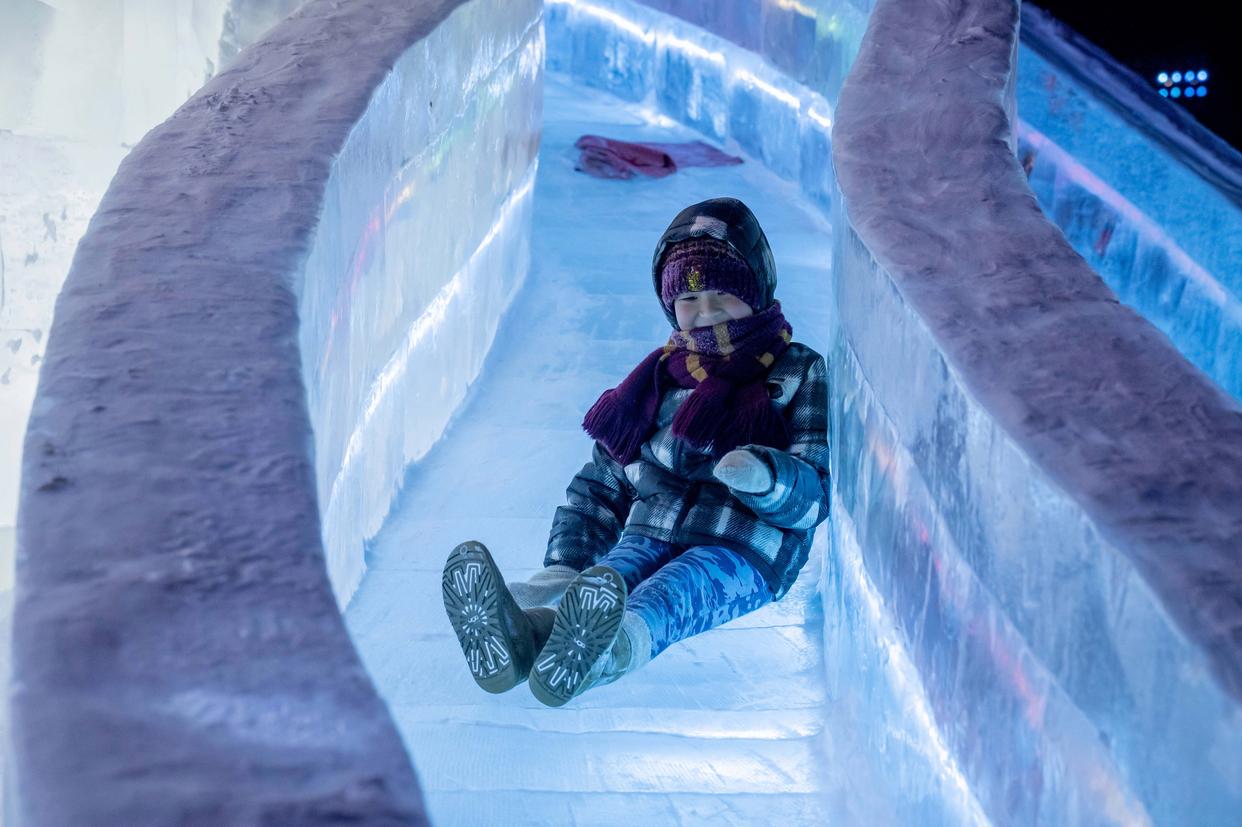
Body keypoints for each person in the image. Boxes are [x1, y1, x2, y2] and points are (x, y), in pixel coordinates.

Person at [441, 196, 830, 707]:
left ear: (755, 290)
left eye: (722, 294)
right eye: (689, 299)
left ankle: (603, 659)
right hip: (652, 531)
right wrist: (564, 565)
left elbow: (814, 494)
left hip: (744, 544)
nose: (706, 312)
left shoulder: (797, 370)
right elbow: (603, 484)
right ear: (671, 306)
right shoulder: (656, 380)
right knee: (601, 590)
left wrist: (766, 477)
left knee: (669, 596)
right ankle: (521, 637)